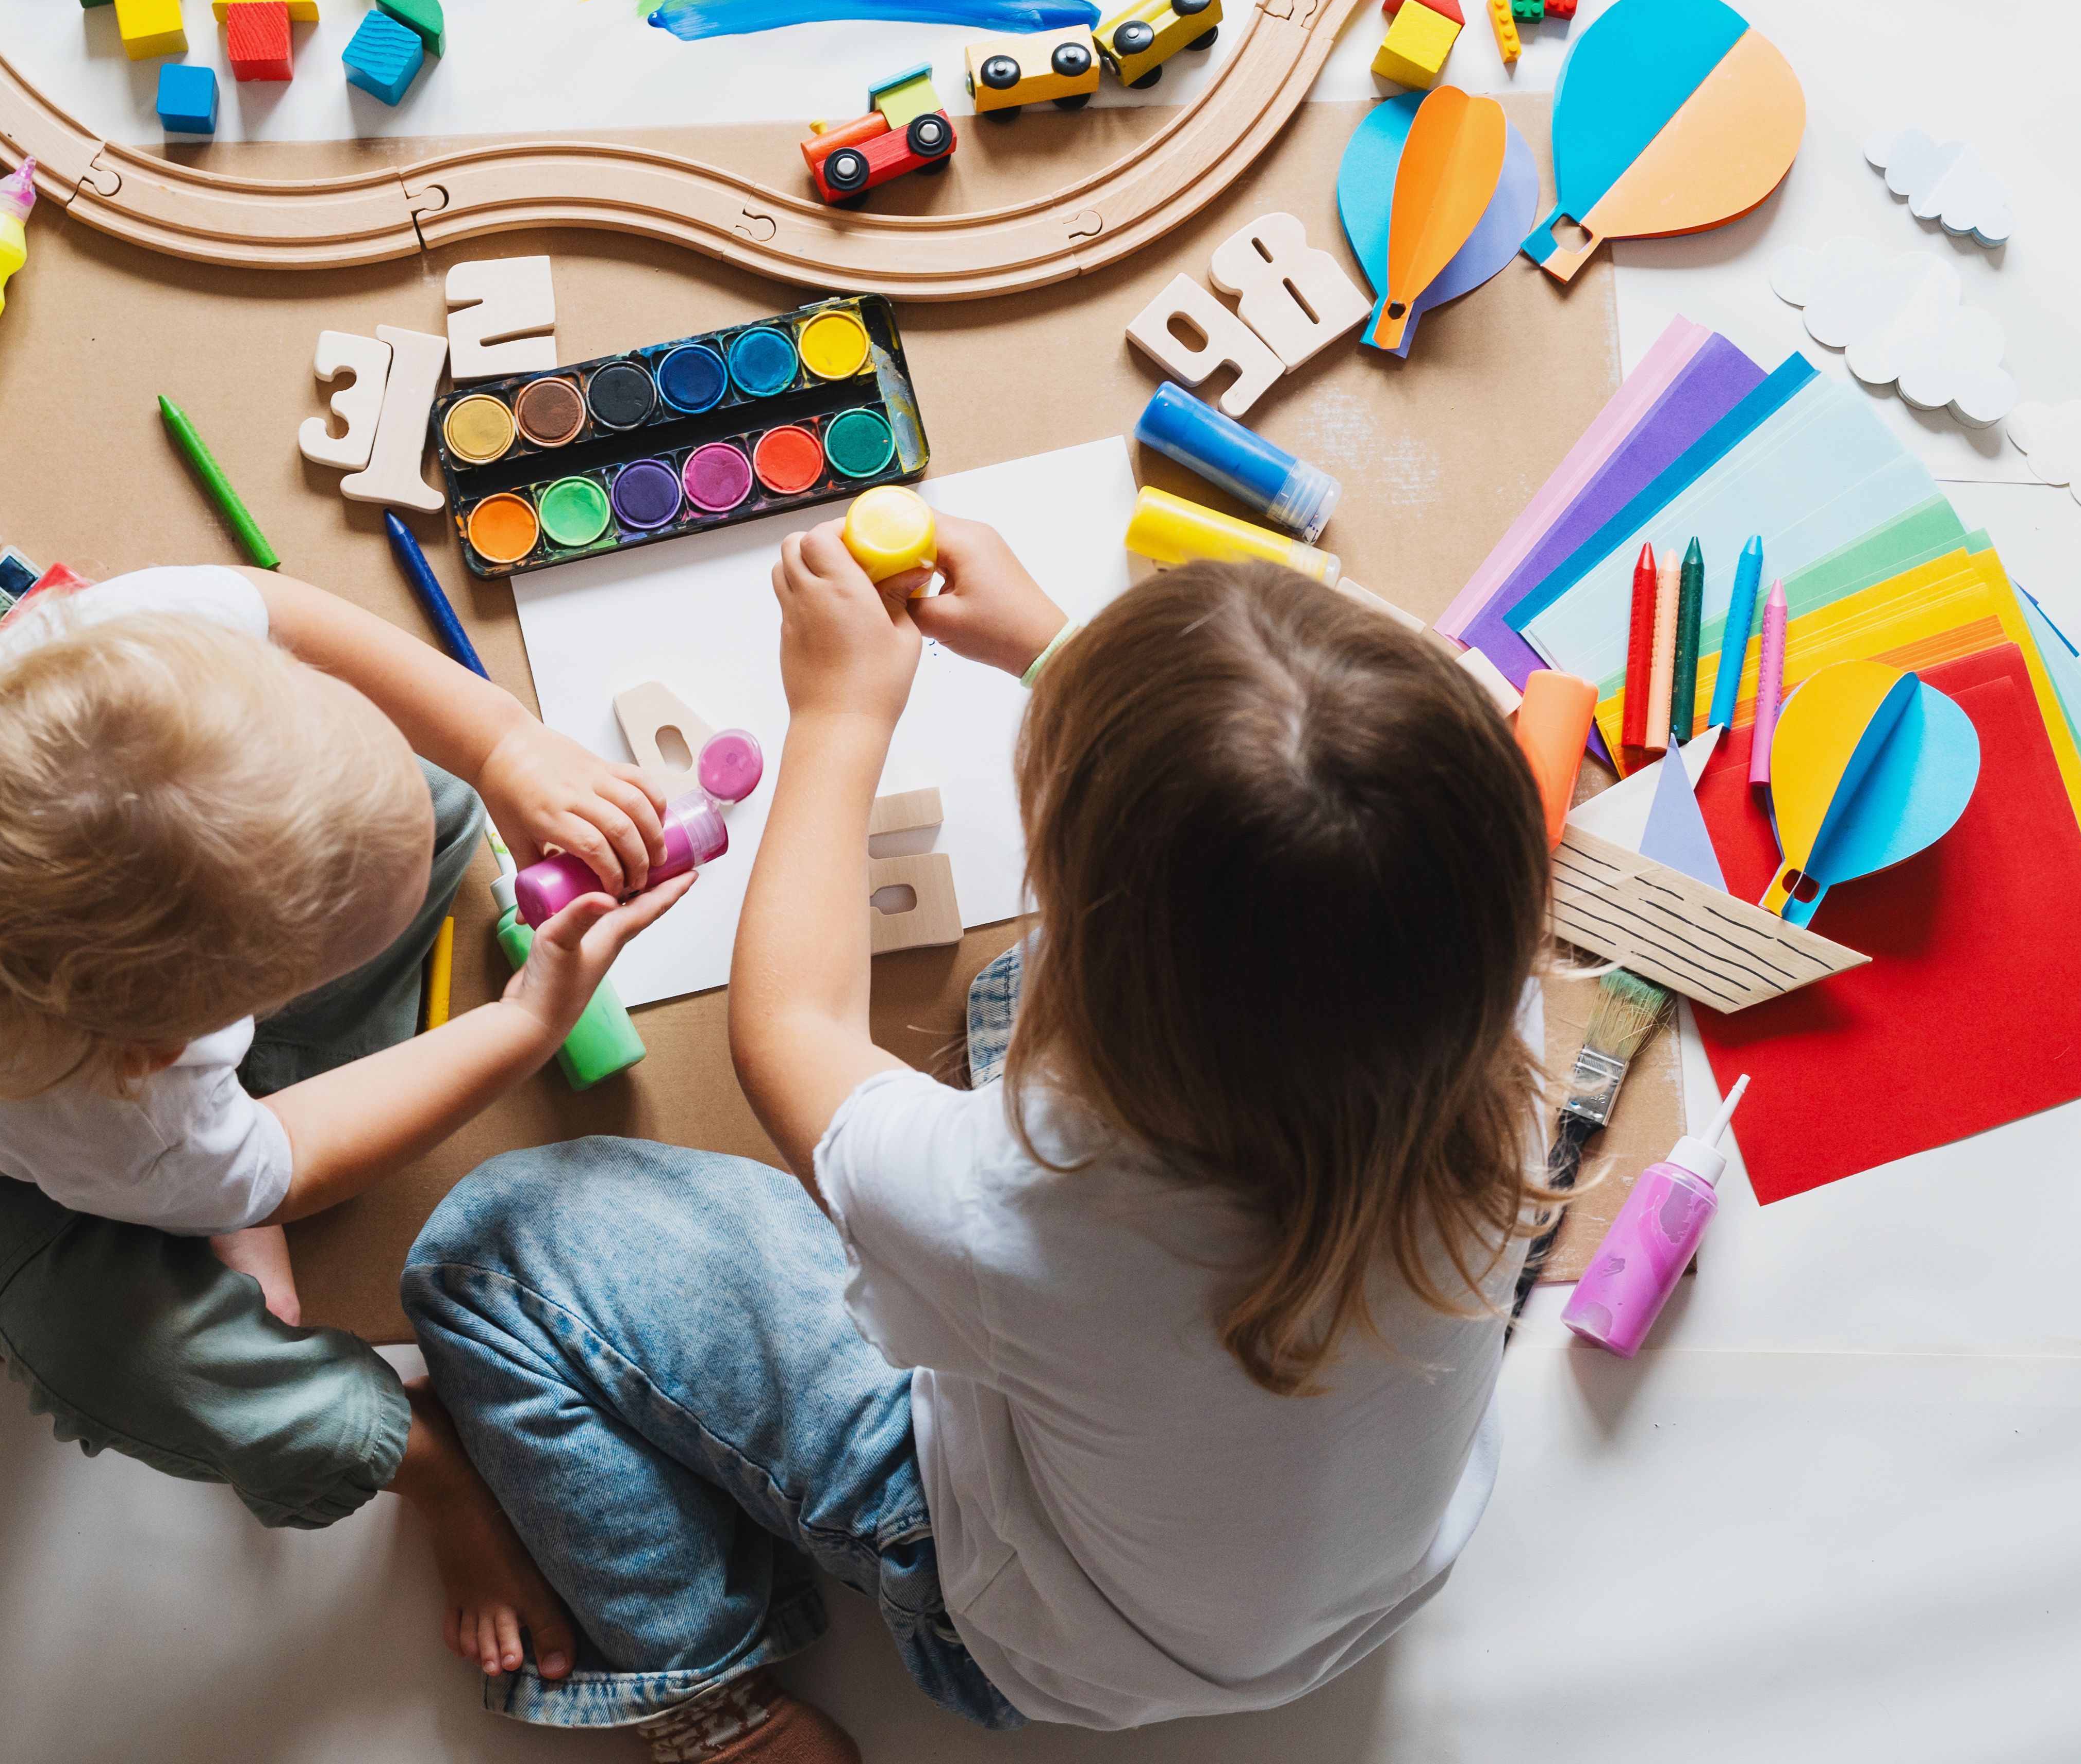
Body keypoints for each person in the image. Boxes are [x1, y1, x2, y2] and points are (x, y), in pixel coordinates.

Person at [405, 517, 1554, 1760]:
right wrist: (1057, 650)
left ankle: (706, 1699)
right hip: (1357, 1594)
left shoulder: (1016, 1206)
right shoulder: (1494, 1026)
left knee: (490, 1252)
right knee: (1041, 978)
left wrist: (839, 713)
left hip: (1026, 1630)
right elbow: (1280, 867)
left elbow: (791, 1029)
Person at [0, 563, 682, 1676]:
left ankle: (222, 1164)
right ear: (170, 1042)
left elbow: (272, 604)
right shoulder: (108, 1107)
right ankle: (425, 1460)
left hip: (40, 985)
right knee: (133, 1357)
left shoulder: (102, 675)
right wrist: (526, 1022)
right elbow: (296, 1159)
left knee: (430, 807)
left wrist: (504, 744)